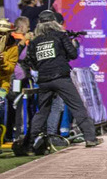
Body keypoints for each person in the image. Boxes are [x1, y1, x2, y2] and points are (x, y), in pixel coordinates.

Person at [24, 10, 99, 152]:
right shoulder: (60, 35)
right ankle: (90, 138)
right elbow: (72, 55)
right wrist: (73, 45)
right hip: (61, 78)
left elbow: (31, 62)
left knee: (42, 112)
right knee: (77, 107)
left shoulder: (34, 41)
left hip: (44, 80)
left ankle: (28, 145)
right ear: (54, 22)